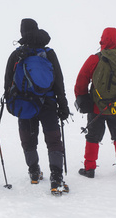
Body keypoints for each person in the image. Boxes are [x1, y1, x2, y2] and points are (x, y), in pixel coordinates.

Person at [4, 18, 70, 195]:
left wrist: (11, 100)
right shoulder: (48, 53)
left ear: (22, 33)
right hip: (48, 103)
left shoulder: (16, 55)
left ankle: (34, 172)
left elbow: (7, 82)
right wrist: (63, 105)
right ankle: (56, 177)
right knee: (53, 139)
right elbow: (59, 81)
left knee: (28, 139)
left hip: (24, 103)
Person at [74, 27, 116, 178]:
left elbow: (81, 80)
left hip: (97, 107)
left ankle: (89, 169)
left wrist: (82, 98)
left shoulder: (95, 59)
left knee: (93, 137)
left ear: (103, 40)